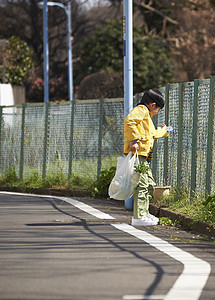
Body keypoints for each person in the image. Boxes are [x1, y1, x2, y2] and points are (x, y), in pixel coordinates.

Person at [124, 89, 168, 226]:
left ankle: (143, 212)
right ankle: (139, 217)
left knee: (148, 184)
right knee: (142, 184)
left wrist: (164, 131)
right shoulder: (141, 110)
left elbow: (151, 134)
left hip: (143, 156)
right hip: (138, 155)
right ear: (153, 105)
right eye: (158, 109)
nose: (157, 112)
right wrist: (134, 141)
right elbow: (129, 121)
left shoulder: (146, 116)